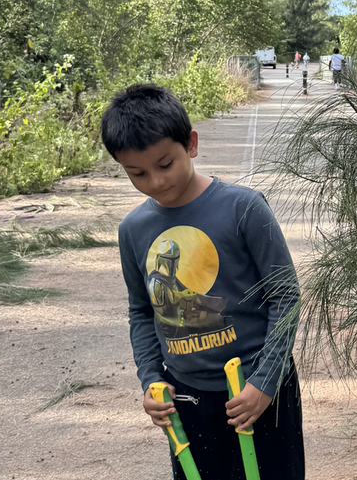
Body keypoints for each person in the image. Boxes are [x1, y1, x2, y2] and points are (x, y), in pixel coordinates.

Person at [101, 84, 305, 480]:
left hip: (258, 388)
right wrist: (151, 380)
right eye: (136, 173)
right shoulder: (133, 230)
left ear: (191, 144)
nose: (156, 182)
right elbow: (142, 312)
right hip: (187, 398)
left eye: (165, 164)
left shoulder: (243, 207)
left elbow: (286, 297)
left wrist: (264, 384)